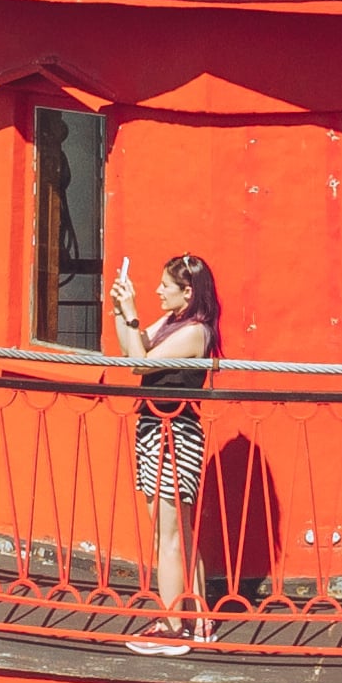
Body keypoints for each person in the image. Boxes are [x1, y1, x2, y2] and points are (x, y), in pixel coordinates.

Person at [104, 250, 220, 652]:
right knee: (177, 531)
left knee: (168, 534)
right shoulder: (174, 323)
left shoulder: (194, 331)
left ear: (187, 292)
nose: (158, 291)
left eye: (165, 286)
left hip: (174, 432)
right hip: (157, 428)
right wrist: (121, 310)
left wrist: (132, 312)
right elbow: (131, 350)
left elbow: (140, 365)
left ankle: (173, 628)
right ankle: (198, 618)